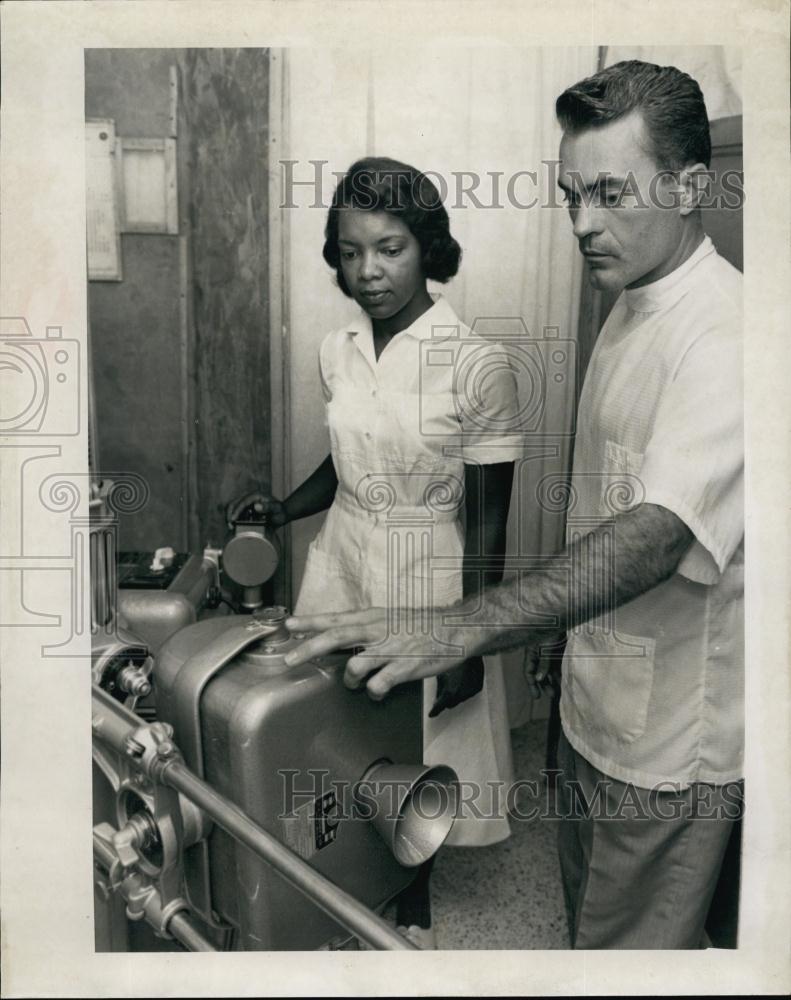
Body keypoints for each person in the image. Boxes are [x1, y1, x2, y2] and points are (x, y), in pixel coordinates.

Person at [283, 62, 744, 950]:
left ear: (690, 186)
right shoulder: (633, 298)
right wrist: (561, 642)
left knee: (630, 954)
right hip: (596, 697)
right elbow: (604, 498)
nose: (581, 223)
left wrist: (464, 629)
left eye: (608, 193)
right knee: (587, 926)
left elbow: (655, 536)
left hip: (668, 743)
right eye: (572, 194)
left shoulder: (725, 334)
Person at [227, 157, 524, 948]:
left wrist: (471, 635)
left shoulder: (476, 363)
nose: (368, 271)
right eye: (351, 251)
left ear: (426, 246)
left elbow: (492, 520)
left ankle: (411, 904)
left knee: (415, 746)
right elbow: (347, 458)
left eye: (389, 248)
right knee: (334, 727)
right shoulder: (337, 349)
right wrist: (284, 509)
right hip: (344, 555)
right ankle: (340, 880)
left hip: (428, 570)